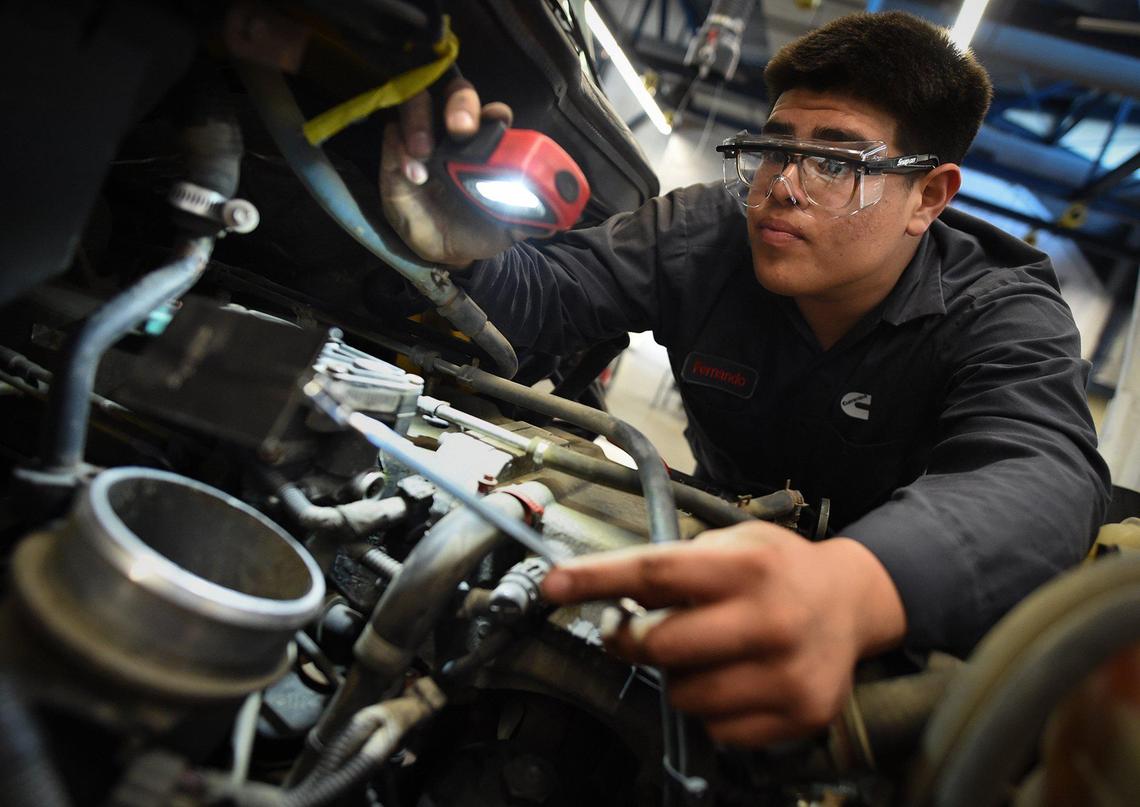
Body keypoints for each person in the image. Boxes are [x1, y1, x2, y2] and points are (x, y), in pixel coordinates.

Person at [379, 11, 1111, 746]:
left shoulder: (1001, 307)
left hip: (889, 601)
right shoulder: (702, 235)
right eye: (770, 149)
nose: (781, 188)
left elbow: (1040, 468)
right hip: (718, 524)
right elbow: (552, 293)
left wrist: (855, 587)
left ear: (928, 196)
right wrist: (464, 258)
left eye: (835, 162)